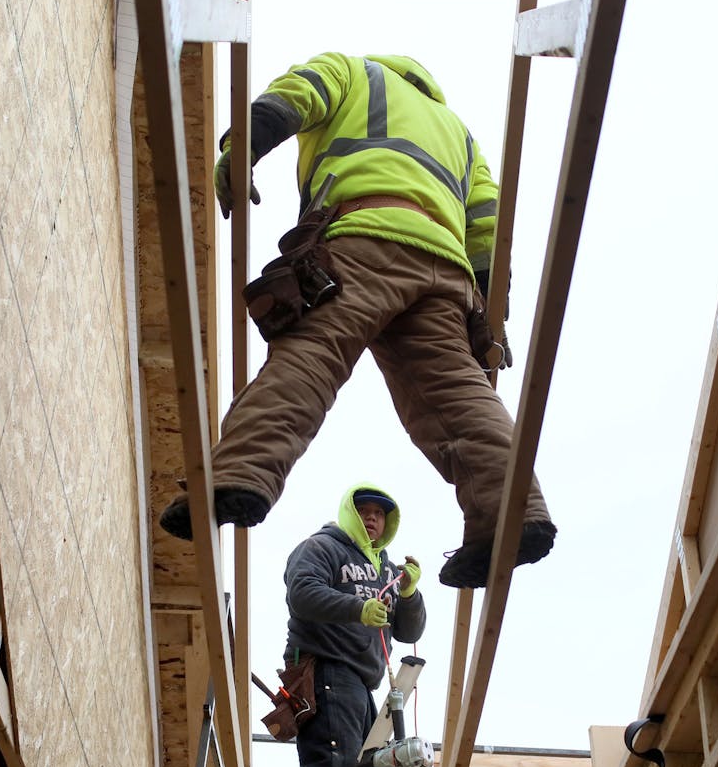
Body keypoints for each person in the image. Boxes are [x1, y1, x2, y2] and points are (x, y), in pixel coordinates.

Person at [159, 51, 555, 588]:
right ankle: (513, 516)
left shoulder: (355, 72)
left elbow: (296, 97)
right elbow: (487, 224)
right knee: (459, 399)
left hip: (364, 238)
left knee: (310, 357)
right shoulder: (459, 134)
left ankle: (238, 476)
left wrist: (244, 145)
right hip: (445, 272)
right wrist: (488, 314)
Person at [282, 484, 426, 767]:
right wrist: (357, 609)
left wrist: (409, 594)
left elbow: (409, 631)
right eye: (365, 512)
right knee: (336, 766)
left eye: (379, 514)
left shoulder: (386, 571)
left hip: (361, 683)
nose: (373, 518)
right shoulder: (321, 548)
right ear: (350, 514)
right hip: (326, 669)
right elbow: (302, 593)